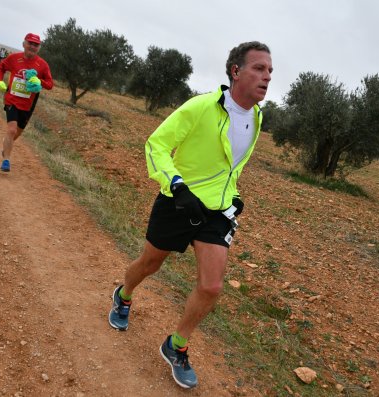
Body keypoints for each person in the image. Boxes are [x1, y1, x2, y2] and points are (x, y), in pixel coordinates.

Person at [108, 41, 272, 388]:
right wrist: (178, 186)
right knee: (150, 264)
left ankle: (176, 345)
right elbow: (156, 144)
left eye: (270, 71)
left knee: (211, 286)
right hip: (177, 201)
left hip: (216, 212)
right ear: (236, 71)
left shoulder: (257, 117)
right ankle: (123, 295)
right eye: (259, 68)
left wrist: (234, 197)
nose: (267, 76)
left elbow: (231, 166)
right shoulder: (201, 107)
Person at [0, 33, 53, 173]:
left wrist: (40, 82)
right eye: (30, 43)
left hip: (28, 104)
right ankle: (6, 160)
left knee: (17, 133)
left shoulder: (42, 65)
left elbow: (50, 84)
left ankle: (6, 147)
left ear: (39, 48)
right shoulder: (14, 58)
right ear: (24, 44)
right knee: (12, 130)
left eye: (36, 45)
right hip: (12, 99)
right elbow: (1, 67)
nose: (32, 46)